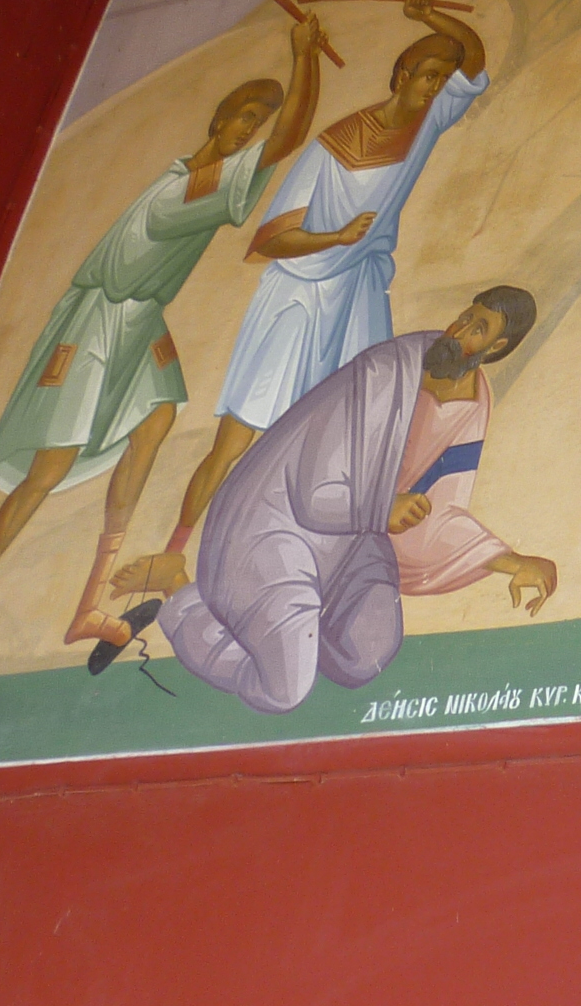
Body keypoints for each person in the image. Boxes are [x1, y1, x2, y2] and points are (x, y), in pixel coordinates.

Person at [0, 14, 328, 696]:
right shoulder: (181, 190)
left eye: (256, 122)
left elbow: (277, 144)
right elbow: (286, 141)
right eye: (243, 117)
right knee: (49, 469)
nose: (250, 129)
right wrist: (303, 56)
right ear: (220, 119)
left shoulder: (203, 178)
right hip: (98, 322)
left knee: (156, 420)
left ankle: (88, 606)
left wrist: (300, 68)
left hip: (141, 320)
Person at [131, 0, 488, 591]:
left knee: (356, 437)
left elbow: (475, 59)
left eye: (440, 79)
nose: (435, 87)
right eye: (427, 75)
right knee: (238, 437)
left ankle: (319, 569)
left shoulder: (427, 123)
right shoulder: (332, 147)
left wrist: (430, 17)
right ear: (402, 74)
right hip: (297, 300)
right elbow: (274, 238)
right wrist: (336, 236)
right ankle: (174, 551)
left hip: (358, 296)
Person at [134, 289, 551, 714]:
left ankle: (289, 631)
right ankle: (181, 593)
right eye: (464, 317)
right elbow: (314, 493)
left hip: (354, 538)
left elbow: (439, 511)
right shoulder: (383, 372)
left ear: (497, 347)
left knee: (366, 653)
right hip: (275, 526)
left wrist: (512, 562)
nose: (458, 331)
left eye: (478, 329)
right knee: (285, 691)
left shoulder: (474, 402)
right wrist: (383, 509)